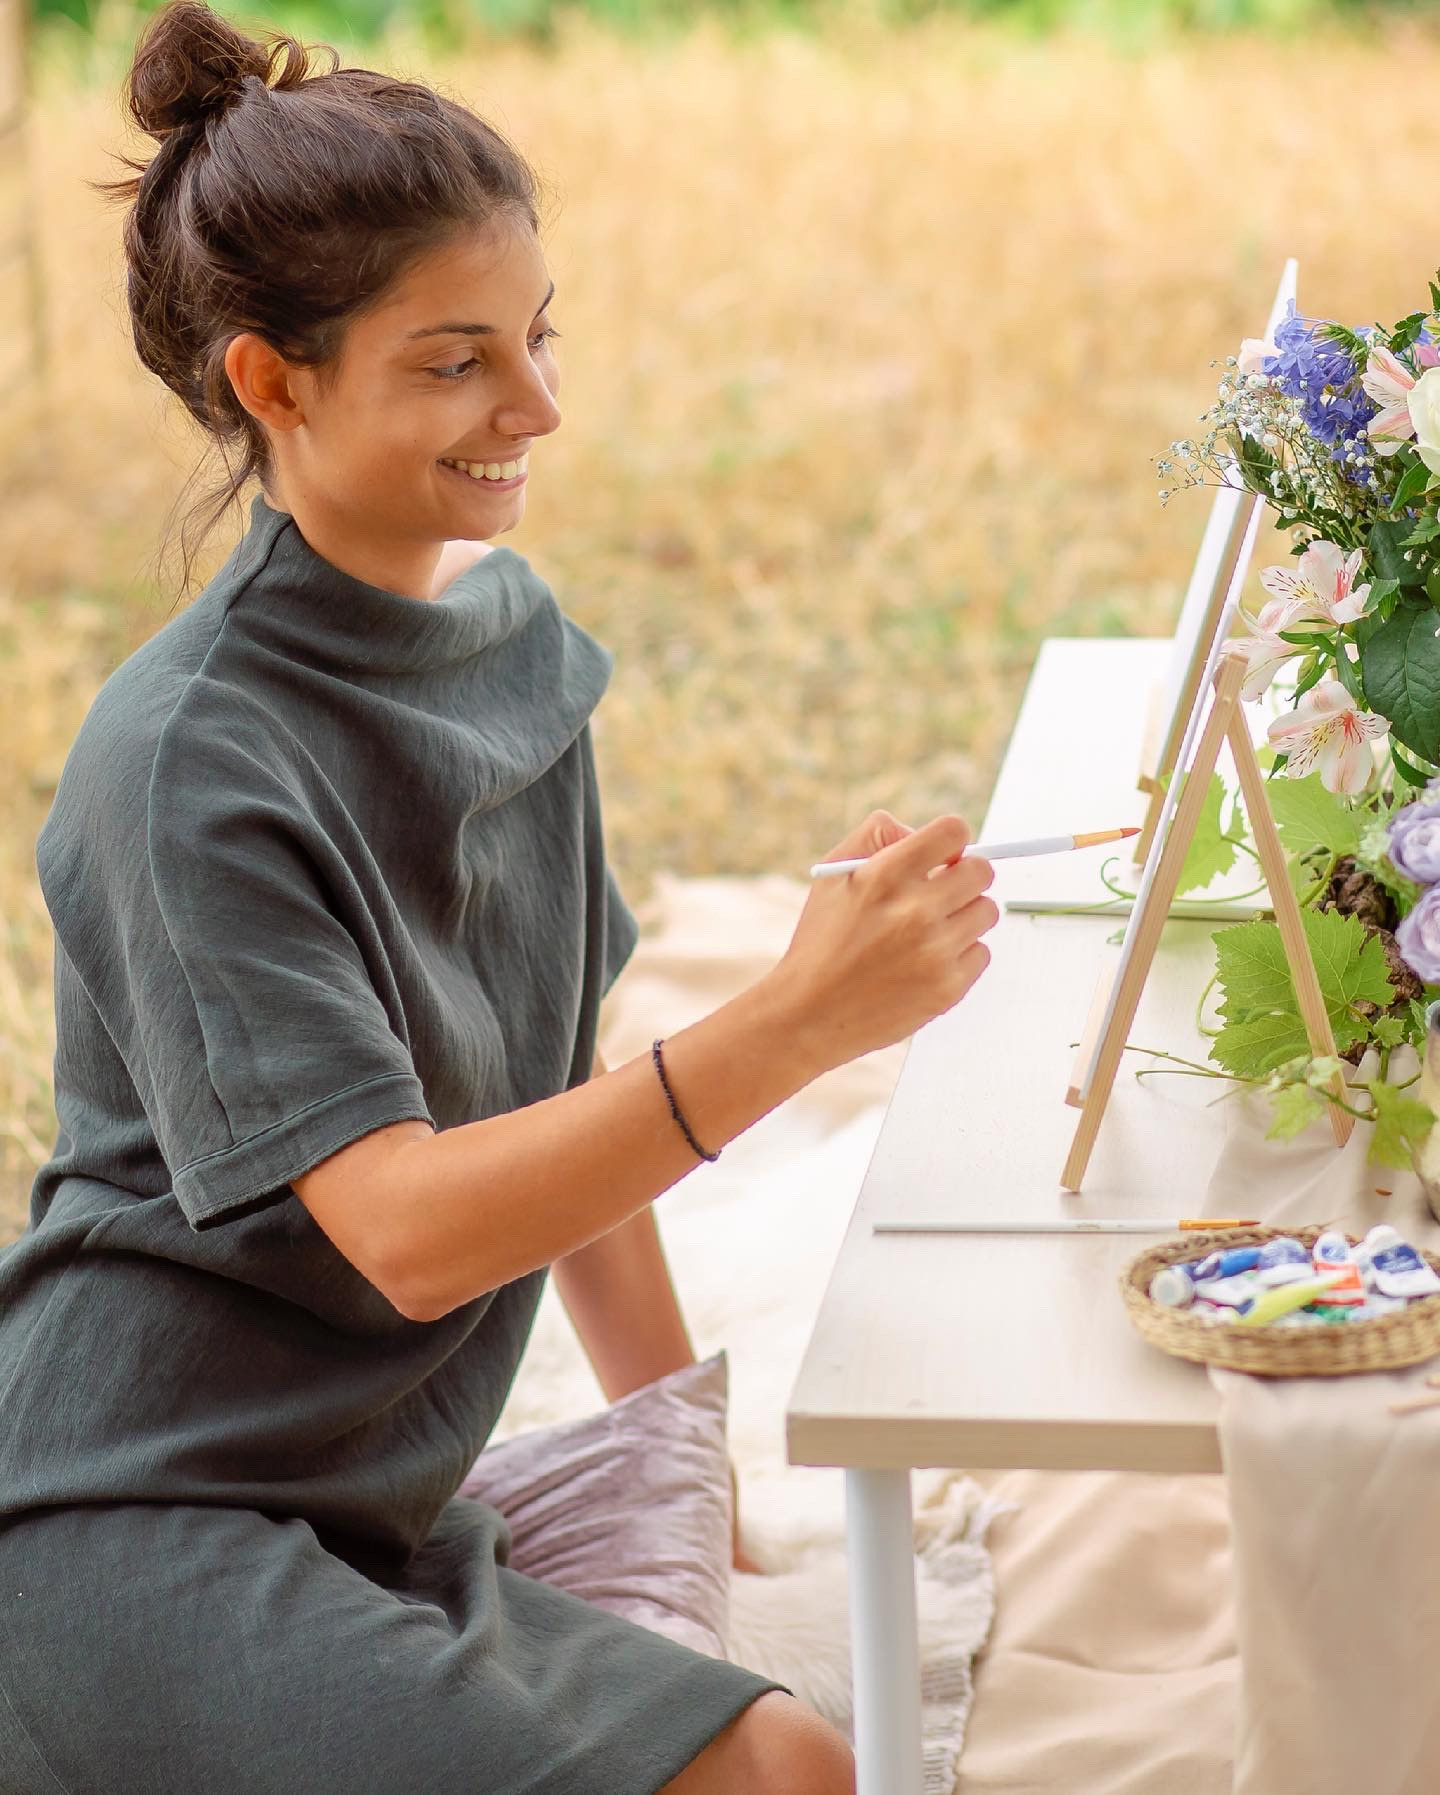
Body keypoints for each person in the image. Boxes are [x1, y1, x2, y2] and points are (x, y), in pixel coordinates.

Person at [0, 3, 1000, 1790]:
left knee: (796, 1762)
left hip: (370, 1499)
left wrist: (683, 1468)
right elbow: (410, 1231)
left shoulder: (515, 644)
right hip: (125, 1526)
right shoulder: (186, 763)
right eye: (458, 360)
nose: (536, 406)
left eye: (538, 335)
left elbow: (560, 1085)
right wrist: (792, 1027)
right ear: (272, 383)